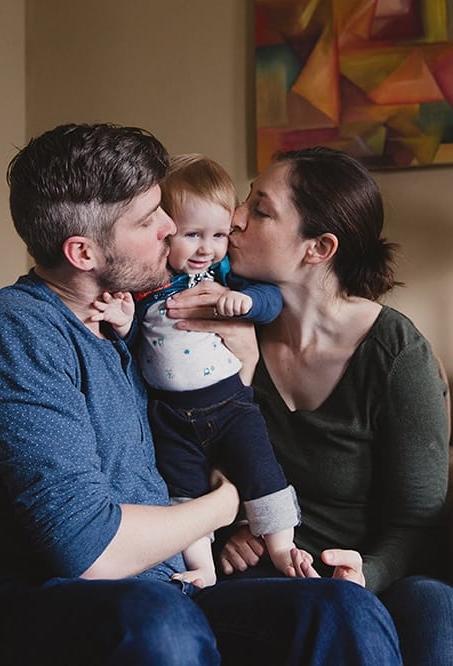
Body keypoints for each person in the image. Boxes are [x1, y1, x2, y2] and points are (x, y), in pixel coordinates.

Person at [0, 124, 402, 665]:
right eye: (148, 219)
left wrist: (244, 366)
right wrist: (230, 502)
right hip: (72, 601)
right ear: (83, 252)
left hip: (173, 587)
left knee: (341, 607)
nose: (170, 228)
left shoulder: (124, 323)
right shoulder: (21, 333)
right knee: (161, 625)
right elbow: (88, 550)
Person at [165, 146, 453, 665]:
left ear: (318, 248)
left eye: (262, 209)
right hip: (265, 576)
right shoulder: (218, 321)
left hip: (367, 569)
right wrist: (233, 531)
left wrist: (365, 571)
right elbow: (182, 451)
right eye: (245, 200)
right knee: (332, 609)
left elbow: (416, 521)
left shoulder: (395, 353)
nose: (236, 218)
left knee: (443, 611)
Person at [93, 154, 305, 587]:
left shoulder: (220, 274)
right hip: (170, 415)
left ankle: (284, 546)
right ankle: (202, 567)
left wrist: (245, 303)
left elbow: (271, 300)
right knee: (183, 491)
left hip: (229, 400)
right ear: (166, 231)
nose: (206, 248)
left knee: (261, 469)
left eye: (218, 235)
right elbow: (138, 345)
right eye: (192, 235)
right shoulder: (146, 282)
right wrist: (123, 323)